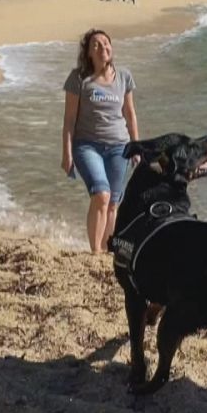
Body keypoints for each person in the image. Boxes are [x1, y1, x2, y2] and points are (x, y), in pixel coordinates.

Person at [61, 29, 139, 253]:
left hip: (119, 147)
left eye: (106, 43)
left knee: (113, 201)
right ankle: (94, 252)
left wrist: (136, 146)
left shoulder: (123, 76)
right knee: (101, 194)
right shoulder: (78, 78)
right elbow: (68, 121)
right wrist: (67, 154)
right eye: (96, 44)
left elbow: (130, 114)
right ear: (88, 53)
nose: (103, 47)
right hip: (87, 146)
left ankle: (106, 251)